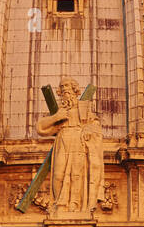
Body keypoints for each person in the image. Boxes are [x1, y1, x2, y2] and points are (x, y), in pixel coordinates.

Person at [36, 77, 104, 215]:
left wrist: (88, 130)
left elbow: (95, 125)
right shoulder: (58, 111)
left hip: (78, 141)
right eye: (62, 87)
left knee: (76, 174)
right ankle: (59, 203)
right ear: (59, 92)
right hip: (62, 141)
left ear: (74, 90)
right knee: (58, 174)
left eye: (67, 86)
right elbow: (40, 127)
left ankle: (74, 204)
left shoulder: (83, 108)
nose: (65, 89)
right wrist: (56, 117)